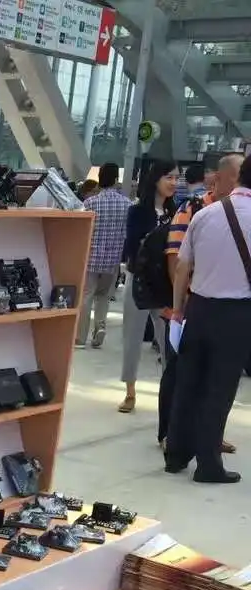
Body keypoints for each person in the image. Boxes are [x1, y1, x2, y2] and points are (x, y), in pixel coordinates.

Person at [163, 153, 251, 484]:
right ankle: (208, 464)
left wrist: (178, 310)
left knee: (188, 383)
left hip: (198, 308)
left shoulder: (205, 213)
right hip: (237, 314)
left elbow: (182, 266)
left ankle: (176, 455)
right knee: (219, 389)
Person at [117, 159, 179, 412]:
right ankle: (130, 391)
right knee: (132, 338)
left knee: (169, 341)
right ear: (156, 179)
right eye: (169, 177)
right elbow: (131, 247)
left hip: (165, 284)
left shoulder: (176, 212)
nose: (174, 183)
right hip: (140, 281)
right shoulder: (138, 211)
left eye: (176, 178)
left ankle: (170, 392)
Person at [76, 162, 130, 349]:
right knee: (103, 296)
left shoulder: (90, 203)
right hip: (113, 259)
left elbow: (83, 231)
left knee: (86, 296)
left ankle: (80, 338)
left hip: (91, 257)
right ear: (116, 180)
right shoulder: (127, 204)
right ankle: (99, 327)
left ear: (100, 179)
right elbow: (126, 233)